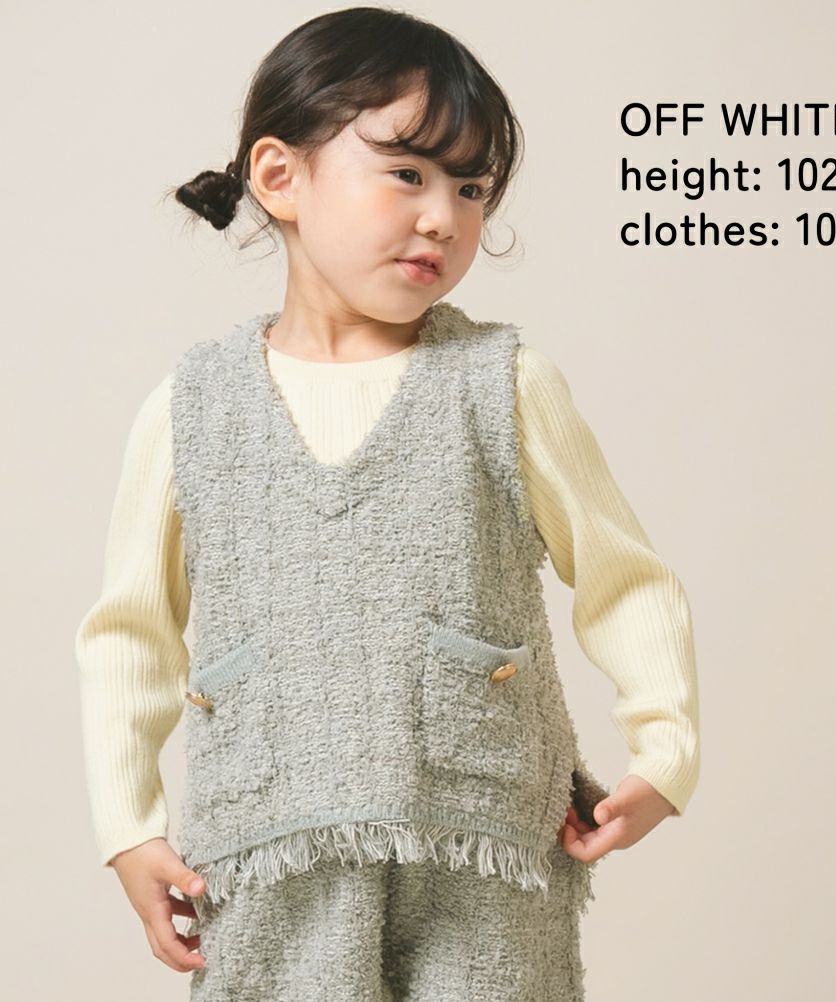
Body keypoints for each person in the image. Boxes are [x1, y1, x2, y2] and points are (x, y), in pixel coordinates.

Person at [75, 8, 700, 1000]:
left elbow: (625, 578)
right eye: (407, 172)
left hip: (480, 848)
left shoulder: (504, 385)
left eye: (471, 188)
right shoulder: (193, 408)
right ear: (279, 176)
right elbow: (130, 632)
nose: (444, 216)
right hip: (274, 847)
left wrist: (666, 751)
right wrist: (128, 827)